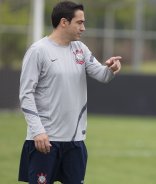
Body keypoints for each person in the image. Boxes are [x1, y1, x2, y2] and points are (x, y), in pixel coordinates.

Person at [18, 1, 122, 183]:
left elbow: (103, 75)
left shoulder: (80, 49)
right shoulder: (38, 51)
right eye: (79, 22)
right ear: (64, 22)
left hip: (75, 142)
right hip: (44, 140)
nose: (83, 27)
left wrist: (111, 69)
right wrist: (37, 131)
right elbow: (26, 95)